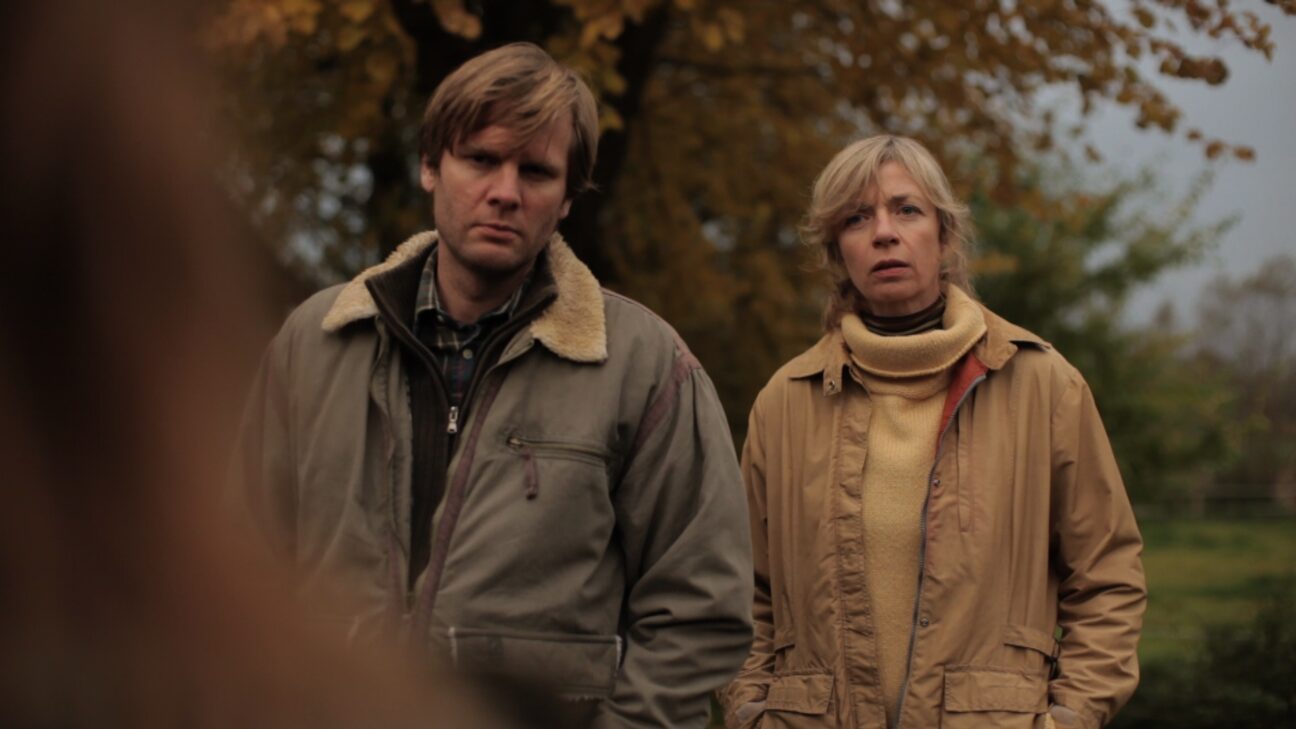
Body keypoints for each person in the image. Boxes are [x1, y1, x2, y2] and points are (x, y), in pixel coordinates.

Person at [234, 42, 753, 728]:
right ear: (430, 166)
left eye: (535, 171)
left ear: (567, 198)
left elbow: (699, 607)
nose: (505, 192)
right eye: (480, 159)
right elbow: (235, 568)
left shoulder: (645, 366)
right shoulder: (316, 342)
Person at [720, 135, 1145, 729]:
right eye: (856, 218)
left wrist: (1070, 717)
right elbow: (742, 589)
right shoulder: (785, 402)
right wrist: (749, 709)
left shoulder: (1043, 385)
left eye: (907, 210)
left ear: (945, 236)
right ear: (837, 252)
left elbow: (1107, 577)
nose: (884, 233)